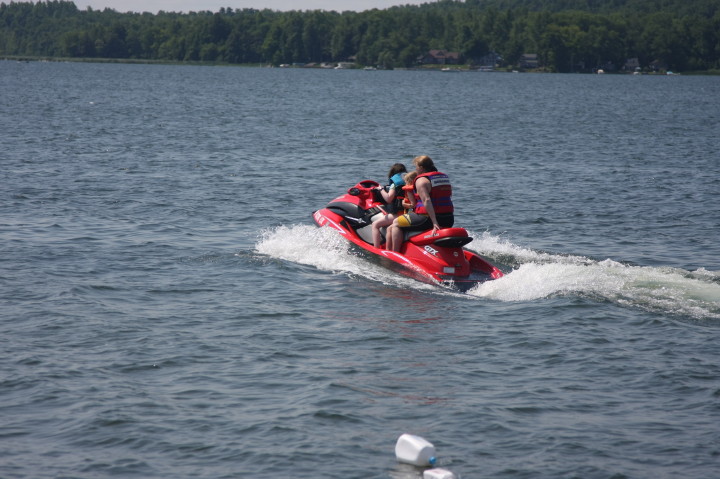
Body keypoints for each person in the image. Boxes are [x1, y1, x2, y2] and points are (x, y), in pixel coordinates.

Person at [388, 155, 454, 253]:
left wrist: (435, 222)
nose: (416, 169)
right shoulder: (443, 178)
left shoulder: (421, 180)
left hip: (428, 219)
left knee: (395, 223)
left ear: (421, 168)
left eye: (416, 167)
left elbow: (426, 200)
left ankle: (395, 254)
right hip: (448, 218)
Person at [371, 163, 407, 248]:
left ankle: (376, 248)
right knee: (388, 228)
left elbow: (388, 199)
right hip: (409, 212)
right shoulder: (409, 181)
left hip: (399, 214)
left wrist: (381, 189)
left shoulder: (395, 184)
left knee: (375, 225)